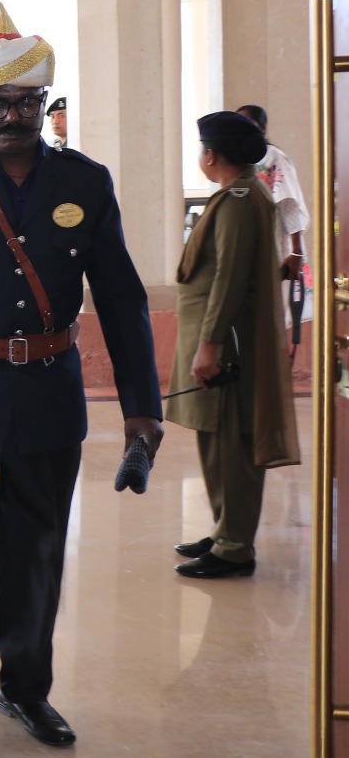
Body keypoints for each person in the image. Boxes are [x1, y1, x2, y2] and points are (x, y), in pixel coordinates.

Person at [0, 5, 162, 748]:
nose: (12, 116)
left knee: (38, 550)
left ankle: (25, 690)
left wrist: (142, 407)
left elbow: (122, 299)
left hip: (48, 393)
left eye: (26, 102)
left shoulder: (86, 181)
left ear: (45, 104)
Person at [166, 111, 299, 579]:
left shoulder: (240, 199)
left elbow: (229, 278)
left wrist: (210, 344)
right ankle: (226, 529)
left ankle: (235, 547)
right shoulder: (240, 193)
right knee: (215, 440)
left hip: (225, 345)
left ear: (211, 155)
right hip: (220, 340)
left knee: (232, 446)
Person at [234, 104, 309, 282]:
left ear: (261, 127)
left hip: (280, 244)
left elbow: (288, 203)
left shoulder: (273, 157)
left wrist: (296, 251)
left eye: (247, 123)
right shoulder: (238, 159)